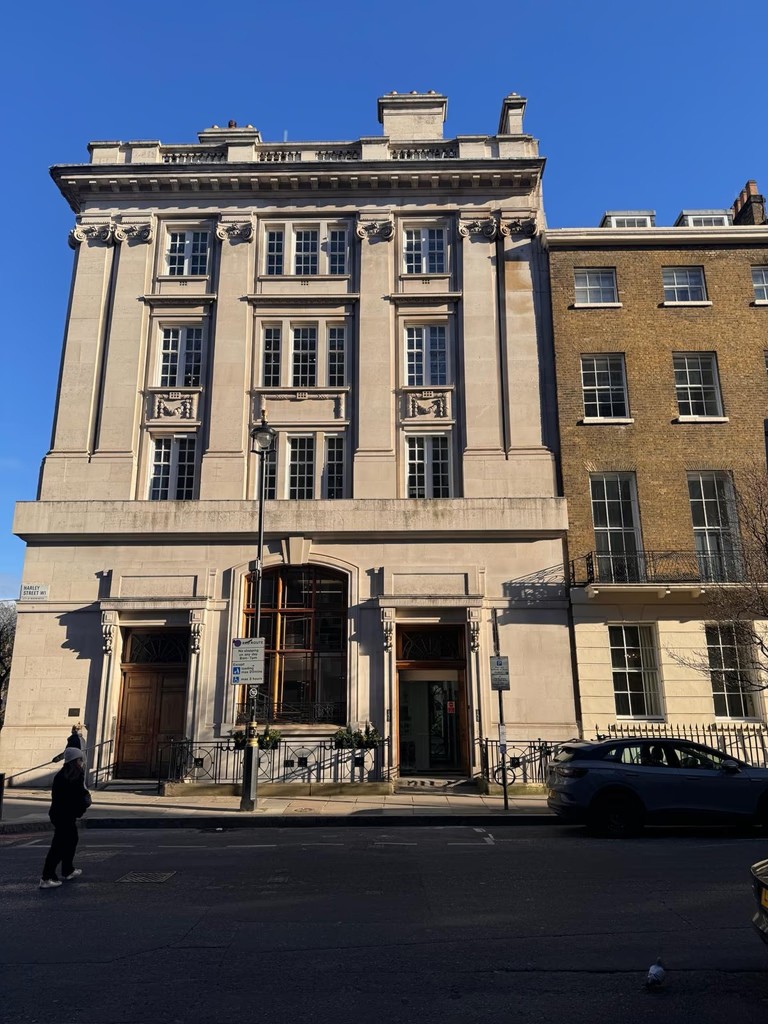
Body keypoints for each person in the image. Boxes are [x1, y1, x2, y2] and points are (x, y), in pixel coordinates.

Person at [39, 747, 91, 889]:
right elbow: (73, 797)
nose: (82, 762)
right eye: (80, 759)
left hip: (64, 814)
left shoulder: (69, 775)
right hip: (63, 815)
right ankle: (47, 877)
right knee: (59, 846)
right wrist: (83, 802)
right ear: (75, 761)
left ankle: (68, 870)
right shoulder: (67, 777)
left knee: (71, 841)